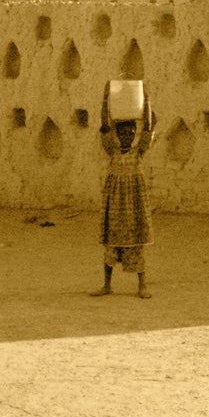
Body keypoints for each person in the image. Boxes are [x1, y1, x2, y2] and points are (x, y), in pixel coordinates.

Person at [91, 83, 157, 299]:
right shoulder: (112, 150)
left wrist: (146, 99)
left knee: (136, 243)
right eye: (123, 132)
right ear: (118, 134)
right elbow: (104, 123)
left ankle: (142, 285)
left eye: (131, 132)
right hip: (116, 202)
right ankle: (107, 285)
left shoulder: (139, 151)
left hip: (133, 201)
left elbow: (148, 126)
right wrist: (105, 97)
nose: (127, 135)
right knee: (111, 244)